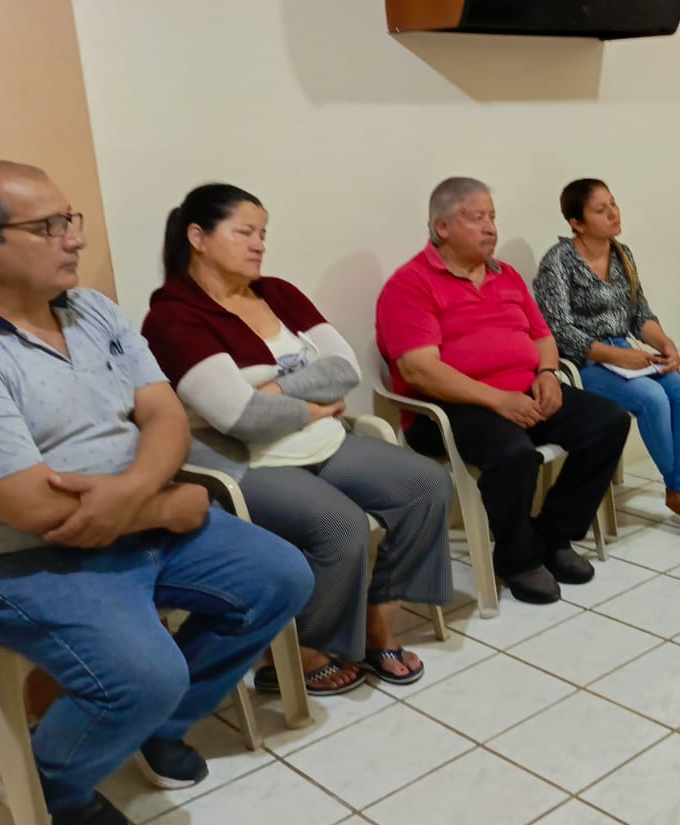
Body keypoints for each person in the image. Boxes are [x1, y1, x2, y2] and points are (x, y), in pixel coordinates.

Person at [0, 161, 312, 825]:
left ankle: (158, 727)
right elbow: (36, 509)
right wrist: (166, 507)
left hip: (133, 516)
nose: (75, 238)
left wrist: (132, 493)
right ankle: (49, 786)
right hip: (19, 557)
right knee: (145, 674)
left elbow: (163, 414)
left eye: (71, 219)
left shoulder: (90, 309)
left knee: (281, 576)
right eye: (48, 226)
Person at [141, 183, 455, 694]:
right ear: (198, 237)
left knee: (425, 484)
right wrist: (313, 406)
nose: (259, 244)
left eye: (263, 234)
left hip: (320, 440)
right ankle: (301, 652)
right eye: (245, 232)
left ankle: (377, 624)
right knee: (339, 525)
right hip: (246, 462)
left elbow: (345, 369)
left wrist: (275, 391)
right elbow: (240, 417)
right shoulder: (173, 317)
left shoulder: (278, 293)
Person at [376, 176, 630, 604]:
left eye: (492, 217)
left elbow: (542, 335)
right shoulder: (411, 284)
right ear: (442, 227)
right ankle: (517, 559)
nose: (490, 228)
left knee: (609, 422)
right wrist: (497, 399)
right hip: (449, 407)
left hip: (523, 393)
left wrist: (547, 373)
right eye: (477, 218)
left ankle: (553, 535)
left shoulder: (506, 275)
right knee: (513, 453)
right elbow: (420, 370)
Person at [532, 178, 680, 540]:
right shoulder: (558, 262)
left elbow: (639, 314)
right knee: (652, 397)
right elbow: (559, 331)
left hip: (623, 351)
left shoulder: (622, 254)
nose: (613, 213)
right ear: (577, 223)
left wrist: (665, 343)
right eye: (600, 210)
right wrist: (617, 355)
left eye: (613, 204)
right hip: (583, 363)